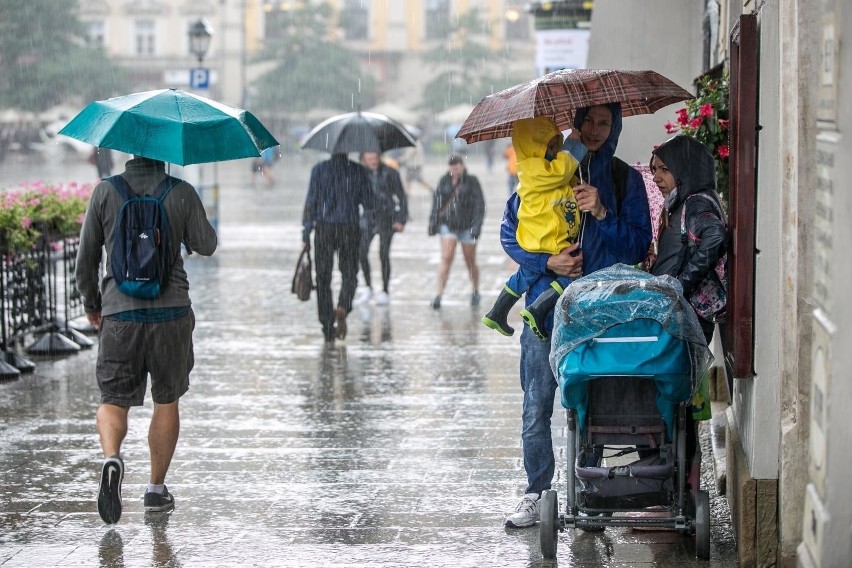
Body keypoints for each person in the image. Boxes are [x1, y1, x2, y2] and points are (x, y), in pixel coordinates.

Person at [501, 103, 652, 529]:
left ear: (615, 127)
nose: (595, 130)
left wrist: (602, 215)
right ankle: (536, 492)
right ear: (575, 124)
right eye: (588, 121)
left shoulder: (625, 179)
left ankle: (591, 491)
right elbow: (510, 233)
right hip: (543, 313)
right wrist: (548, 262)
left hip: (600, 314)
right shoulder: (545, 174)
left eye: (605, 122)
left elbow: (638, 248)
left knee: (594, 408)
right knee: (536, 407)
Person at [75, 156, 218, 525]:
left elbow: (86, 259)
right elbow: (207, 244)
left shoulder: (105, 192)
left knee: (113, 400)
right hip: (170, 314)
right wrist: (182, 227)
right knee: (166, 399)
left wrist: (94, 305)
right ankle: (155, 490)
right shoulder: (181, 191)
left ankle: (111, 457)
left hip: (120, 314)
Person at [645, 134, 727, 473]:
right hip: (679, 315)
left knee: (678, 401)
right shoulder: (683, 203)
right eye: (654, 171)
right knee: (679, 401)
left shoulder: (695, 203)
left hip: (688, 317)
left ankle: (680, 487)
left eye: (664, 169)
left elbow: (715, 236)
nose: (657, 178)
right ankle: (677, 486)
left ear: (685, 168)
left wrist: (680, 283)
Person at [481, 117, 586, 337]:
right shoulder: (536, 169)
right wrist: (574, 144)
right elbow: (562, 172)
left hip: (541, 239)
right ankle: (537, 309)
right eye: (547, 145)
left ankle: (497, 313)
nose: (552, 150)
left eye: (554, 144)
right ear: (532, 147)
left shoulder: (540, 171)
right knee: (570, 274)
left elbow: (563, 185)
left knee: (523, 277)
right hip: (546, 240)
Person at [302, 152, 372, 342]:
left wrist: (306, 233)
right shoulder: (359, 171)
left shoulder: (318, 170)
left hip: (324, 228)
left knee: (323, 279)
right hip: (349, 228)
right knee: (349, 274)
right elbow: (369, 204)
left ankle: (327, 325)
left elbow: (310, 203)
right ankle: (343, 305)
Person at [427, 155, 486, 309]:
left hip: (467, 226)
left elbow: (480, 205)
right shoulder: (444, 181)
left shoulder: (471, 181)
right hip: (449, 225)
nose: (455, 169)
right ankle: (438, 295)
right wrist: (432, 222)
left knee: (470, 261)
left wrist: (477, 226)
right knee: (446, 258)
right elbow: (437, 202)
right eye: (452, 167)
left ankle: (475, 291)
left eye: (457, 166)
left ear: (463, 165)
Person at [356, 151, 408, 305]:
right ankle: (368, 287)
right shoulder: (361, 174)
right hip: (368, 217)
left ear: (378, 157)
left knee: (383, 254)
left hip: (386, 217)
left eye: (374, 158)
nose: (372, 161)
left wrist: (401, 219)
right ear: (364, 159)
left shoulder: (390, 172)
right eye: (368, 159)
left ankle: (385, 290)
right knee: (361, 252)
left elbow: (401, 196)